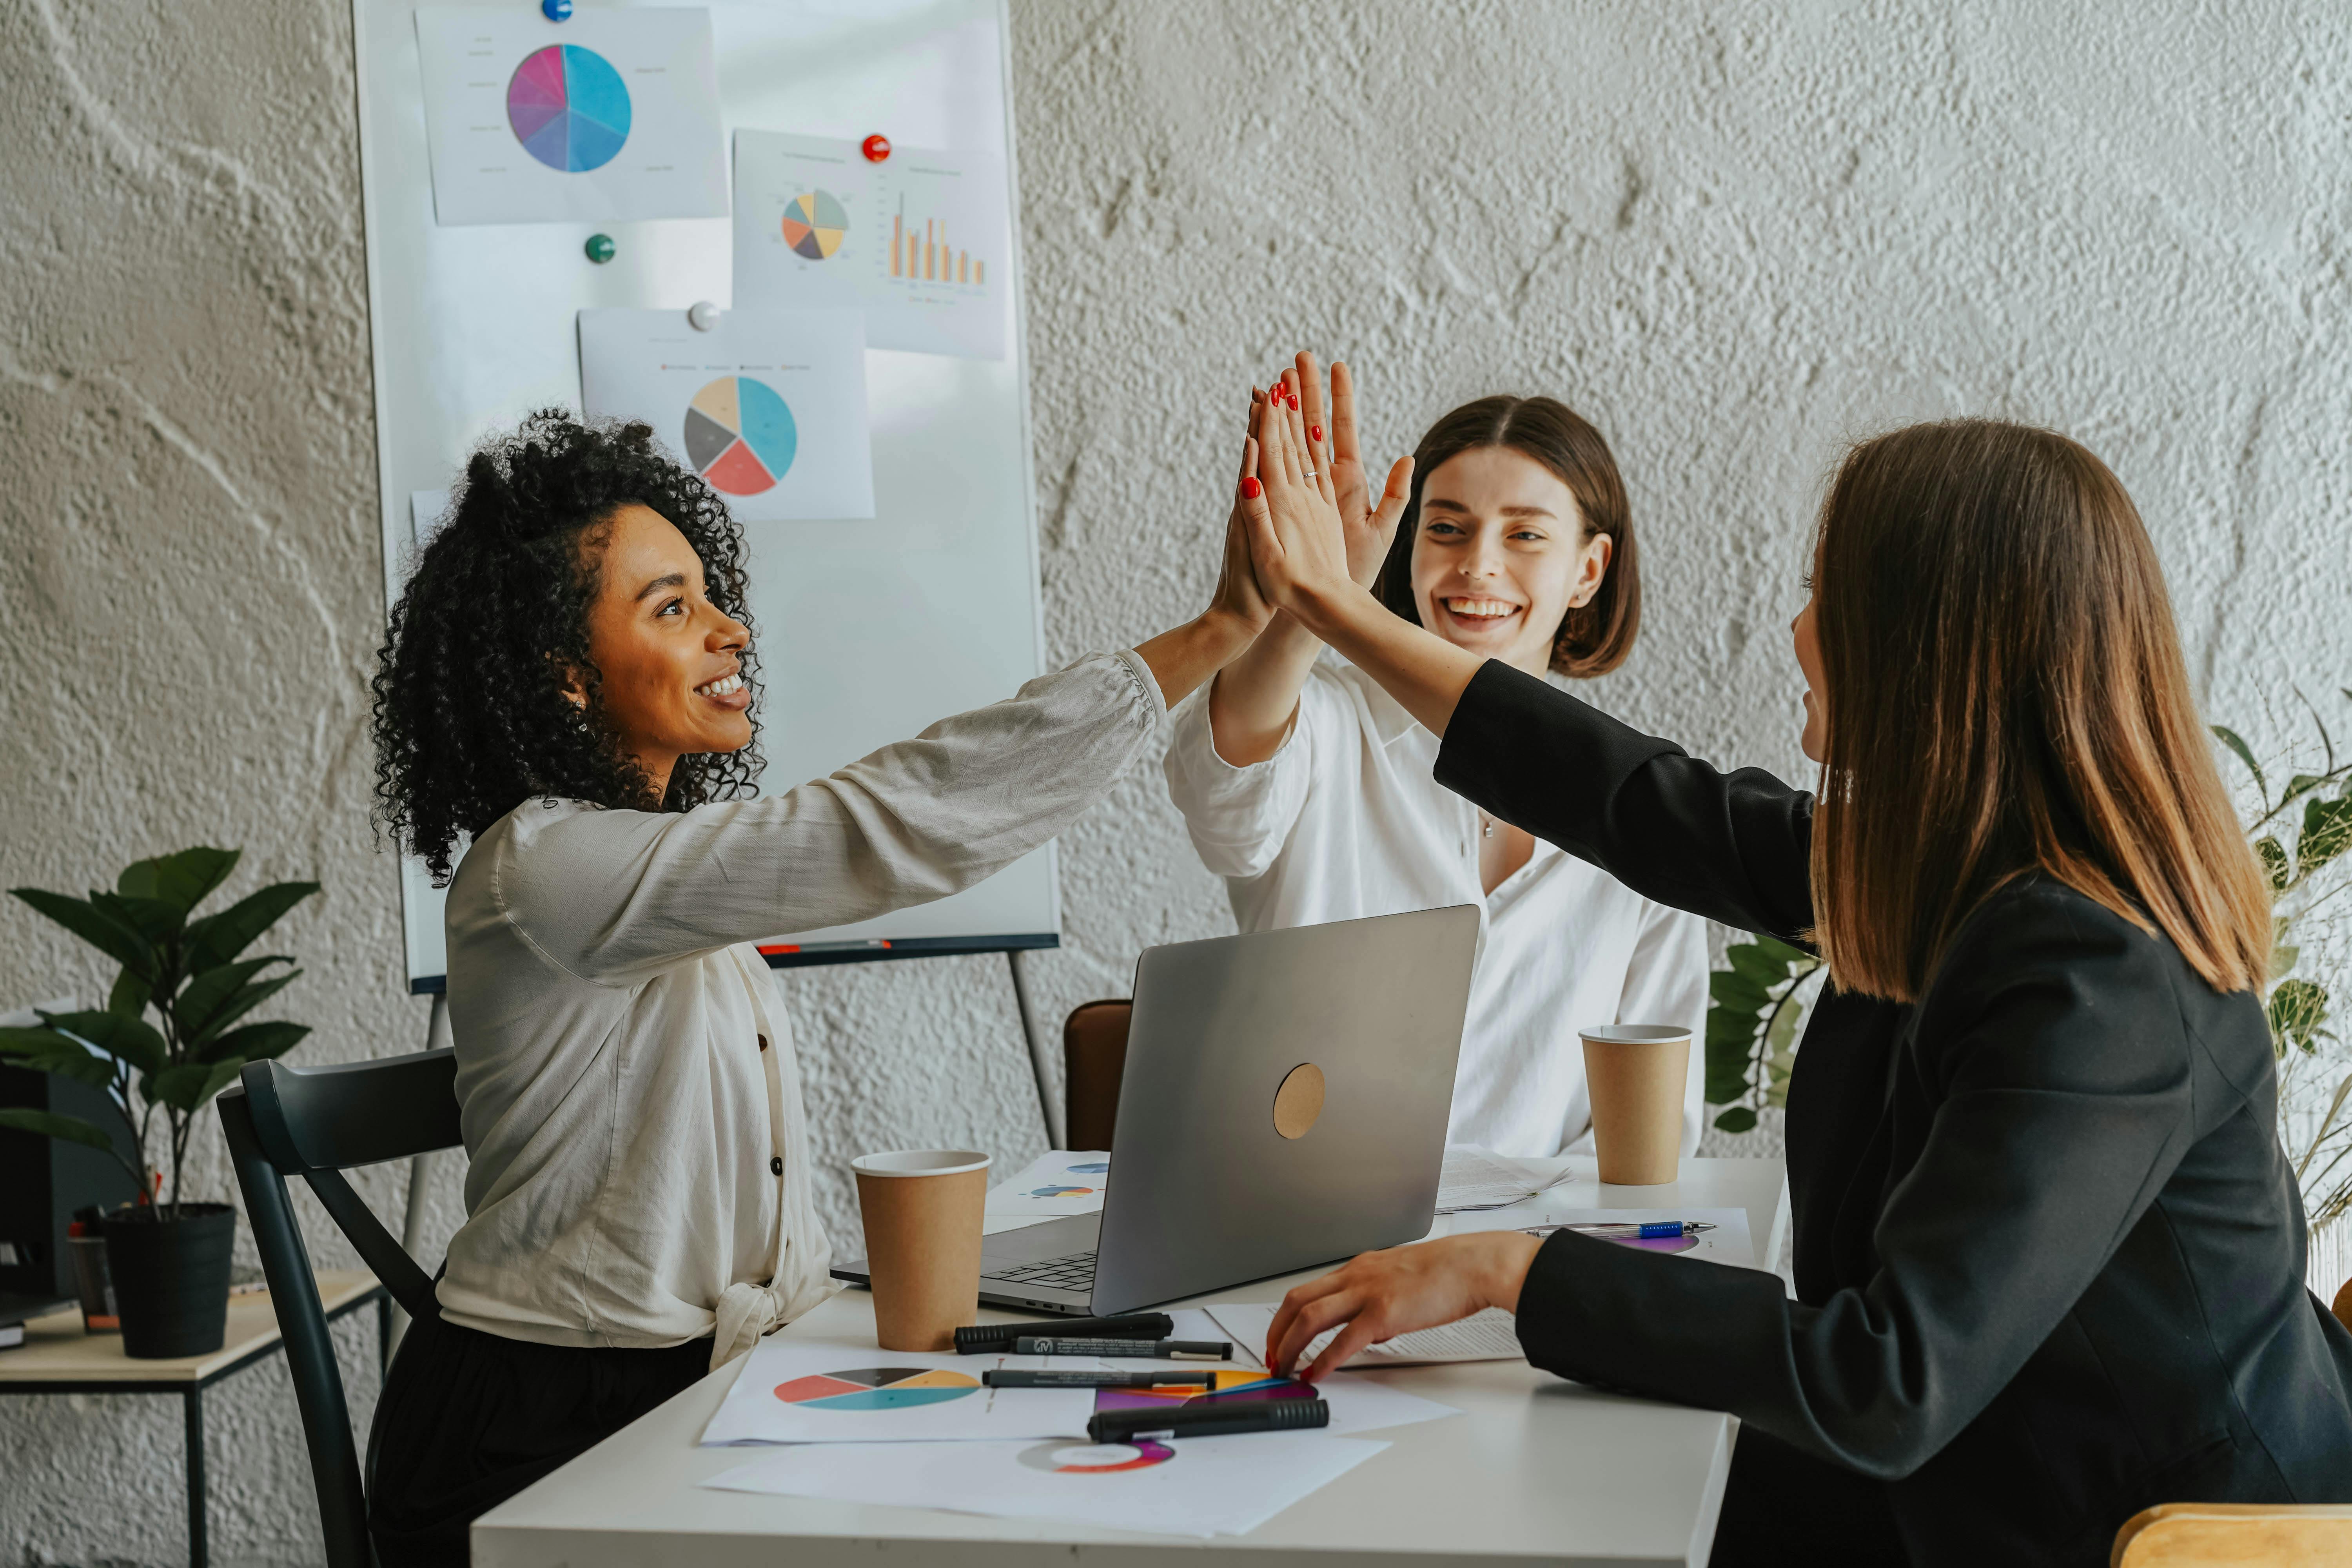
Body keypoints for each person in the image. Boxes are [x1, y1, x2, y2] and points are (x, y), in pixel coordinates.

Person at [1229, 394, 2352, 1566]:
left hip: (2140, 1534)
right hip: (1986, 1469)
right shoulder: (1949, 872)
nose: (1801, 630)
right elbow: (1633, 799)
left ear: (1931, 646)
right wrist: (1334, 611)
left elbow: (1883, 1380)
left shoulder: (2098, 976)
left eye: (1828, 596)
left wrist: (1510, 1270)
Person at [361, 410, 1273, 1564]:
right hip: (541, 1433)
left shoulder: (652, 873)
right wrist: (1219, 633)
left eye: (710, 595)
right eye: (672, 609)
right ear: (564, 678)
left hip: (683, 1392)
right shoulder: (545, 868)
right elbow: (877, 830)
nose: (730, 631)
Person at [1164, 357, 1706, 1157]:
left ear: (1588, 570)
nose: (1478, 564)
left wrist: (1521, 1266)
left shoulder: (1644, 803)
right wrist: (1316, 598)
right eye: (1446, 527)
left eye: (1524, 534)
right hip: (1302, 1243)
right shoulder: (1325, 724)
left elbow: (1653, 1131)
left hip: (1528, 1261)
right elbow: (1222, 799)